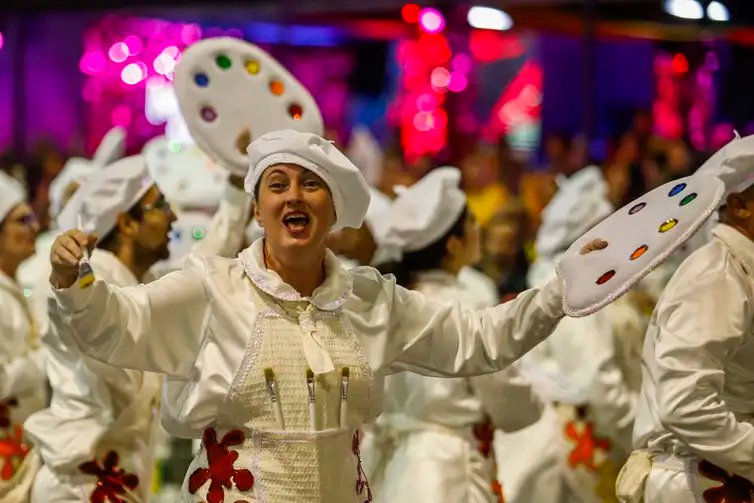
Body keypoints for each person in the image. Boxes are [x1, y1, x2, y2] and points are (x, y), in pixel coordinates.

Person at [47, 129, 588, 502]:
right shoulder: (212, 289)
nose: (292, 197)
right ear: (257, 209)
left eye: (309, 185)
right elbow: (118, 323)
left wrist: (560, 293)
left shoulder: (370, 300)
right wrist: (75, 280)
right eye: (276, 186)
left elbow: (479, 340)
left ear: (334, 211)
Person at [26, 152, 252, 502]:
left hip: (119, 478)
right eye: (159, 205)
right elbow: (84, 303)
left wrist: (237, 185)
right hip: (80, 485)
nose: (173, 216)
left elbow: (205, 267)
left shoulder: (142, 282)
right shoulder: (96, 275)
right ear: (127, 224)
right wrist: (66, 276)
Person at [362, 167, 543, 503]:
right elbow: (499, 382)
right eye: (472, 223)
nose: (480, 229)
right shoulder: (465, 301)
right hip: (448, 469)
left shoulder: (389, 300)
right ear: (454, 244)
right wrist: (533, 406)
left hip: (388, 465)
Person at [498, 167, 647, 503]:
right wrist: (645, 432)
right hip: (574, 445)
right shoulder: (575, 294)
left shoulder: (572, 285)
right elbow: (599, 384)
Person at [618, 137, 754, 502]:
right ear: (741, 206)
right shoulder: (718, 277)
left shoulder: (740, 271)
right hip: (698, 480)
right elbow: (686, 404)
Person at [0, 171, 45, 501]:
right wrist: (44, 360)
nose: (34, 227)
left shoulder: (16, 289)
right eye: (21, 220)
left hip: (21, 443)